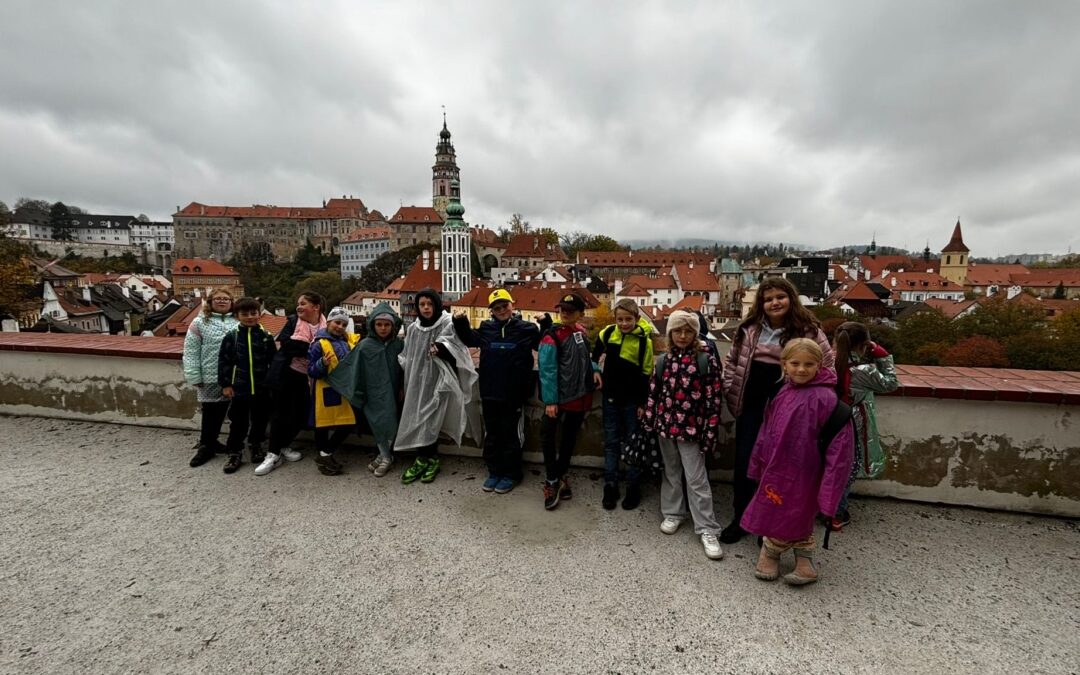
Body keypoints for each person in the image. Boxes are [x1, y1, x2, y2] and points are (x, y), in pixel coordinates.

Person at [720, 277, 834, 543]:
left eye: (780, 297)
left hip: (790, 407)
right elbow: (733, 361)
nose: (774, 303)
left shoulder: (808, 330)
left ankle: (771, 525)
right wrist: (729, 388)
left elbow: (827, 365)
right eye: (768, 298)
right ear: (761, 303)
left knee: (780, 464)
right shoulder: (749, 328)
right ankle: (741, 518)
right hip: (751, 404)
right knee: (746, 461)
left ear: (790, 298)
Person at [741, 338, 853, 586]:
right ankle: (772, 551)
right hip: (776, 469)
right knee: (774, 508)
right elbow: (766, 429)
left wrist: (830, 493)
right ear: (784, 364)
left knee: (800, 513)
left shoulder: (827, 400)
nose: (801, 369)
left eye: (808, 364)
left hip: (808, 473)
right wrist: (758, 461)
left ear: (819, 365)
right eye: (795, 363)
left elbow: (840, 453)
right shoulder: (783, 392)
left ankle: (795, 557)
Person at [642, 310, 725, 560]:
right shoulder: (663, 360)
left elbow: (714, 399)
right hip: (666, 426)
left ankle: (707, 528)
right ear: (669, 333)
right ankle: (673, 512)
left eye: (688, 330)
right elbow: (654, 393)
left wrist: (709, 431)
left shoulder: (705, 359)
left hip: (692, 430)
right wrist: (649, 421)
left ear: (695, 333)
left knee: (697, 478)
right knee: (671, 472)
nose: (682, 335)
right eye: (677, 330)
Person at [453, 289, 540, 494]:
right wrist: (460, 321)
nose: (501, 310)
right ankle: (494, 471)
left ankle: (512, 474)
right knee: (492, 434)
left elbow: (542, 341)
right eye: (497, 308)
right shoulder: (486, 328)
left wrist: (544, 322)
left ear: (512, 305)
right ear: (491, 311)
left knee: (511, 435)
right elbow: (469, 339)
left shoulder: (526, 328)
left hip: (514, 394)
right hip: (490, 391)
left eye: (504, 306)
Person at [395, 289, 480, 485]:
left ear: (436, 305)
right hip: (417, 381)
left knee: (432, 418)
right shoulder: (415, 328)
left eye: (429, 304)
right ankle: (424, 457)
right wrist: (404, 381)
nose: (426, 308)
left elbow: (458, 348)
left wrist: (441, 348)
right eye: (422, 304)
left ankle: (429, 458)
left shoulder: (447, 323)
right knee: (418, 417)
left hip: (440, 380)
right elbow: (407, 355)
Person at [832, 321, 899, 528]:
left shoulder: (826, 362)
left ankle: (820, 507)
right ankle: (836, 514)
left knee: (828, 467)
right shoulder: (864, 370)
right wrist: (882, 354)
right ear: (864, 345)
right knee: (846, 469)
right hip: (851, 424)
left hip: (828, 421)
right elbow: (890, 383)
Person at [538, 292, 601, 510]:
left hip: (580, 396)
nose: (564, 313)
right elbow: (547, 371)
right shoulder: (552, 336)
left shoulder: (582, 332)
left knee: (568, 439)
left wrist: (594, 369)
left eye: (570, 310)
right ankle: (551, 480)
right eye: (562, 309)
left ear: (581, 314)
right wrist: (550, 401)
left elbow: (587, 357)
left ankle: (560, 475)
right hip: (559, 398)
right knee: (547, 436)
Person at [328, 302, 405, 477]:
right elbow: (352, 368)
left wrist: (402, 386)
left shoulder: (398, 345)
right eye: (379, 324)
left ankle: (385, 455)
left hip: (393, 391)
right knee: (377, 422)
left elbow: (406, 368)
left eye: (387, 325)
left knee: (392, 421)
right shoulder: (365, 345)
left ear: (393, 325)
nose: (383, 328)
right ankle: (385, 455)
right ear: (373, 325)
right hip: (373, 392)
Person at [592, 298, 654, 510]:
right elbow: (595, 353)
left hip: (631, 402)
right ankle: (610, 485)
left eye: (628, 319)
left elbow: (647, 373)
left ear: (637, 318)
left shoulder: (645, 340)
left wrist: (642, 403)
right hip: (610, 397)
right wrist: (595, 370)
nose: (624, 323)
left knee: (633, 445)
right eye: (620, 319)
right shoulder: (609, 333)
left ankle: (633, 487)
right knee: (611, 442)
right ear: (615, 319)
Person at [256, 292, 326, 476]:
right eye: (298, 303)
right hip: (287, 372)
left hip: (310, 376)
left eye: (303, 303)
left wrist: (307, 349)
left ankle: (284, 445)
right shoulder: (294, 321)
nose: (298, 306)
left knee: (301, 414)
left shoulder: (327, 324)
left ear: (316, 306)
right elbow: (285, 343)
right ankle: (272, 454)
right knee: (280, 413)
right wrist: (314, 348)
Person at [216, 297, 276, 473]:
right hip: (239, 387)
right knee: (238, 421)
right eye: (245, 314)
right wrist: (226, 384)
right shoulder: (232, 336)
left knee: (260, 418)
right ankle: (235, 452)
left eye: (253, 313)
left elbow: (273, 362)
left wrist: (272, 384)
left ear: (259, 314)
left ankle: (255, 444)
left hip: (261, 387)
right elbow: (224, 362)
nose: (250, 317)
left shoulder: (266, 336)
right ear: (237, 316)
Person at [183, 288, 239, 467]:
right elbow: (191, 351)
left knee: (233, 412)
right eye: (218, 299)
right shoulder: (199, 322)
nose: (222, 301)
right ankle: (207, 445)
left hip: (234, 376)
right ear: (210, 302)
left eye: (226, 299)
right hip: (209, 375)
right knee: (210, 412)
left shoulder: (238, 321)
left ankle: (232, 446)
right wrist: (194, 375)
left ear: (231, 302)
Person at [307, 307, 363, 476]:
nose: (340, 326)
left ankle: (325, 454)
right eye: (337, 322)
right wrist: (321, 364)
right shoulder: (318, 344)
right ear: (329, 322)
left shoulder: (348, 342)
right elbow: (311, 371)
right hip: (324, 390)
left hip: (343, 390)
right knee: (322, 426)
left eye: (344, 324)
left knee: (347, 422)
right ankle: (324, 455)